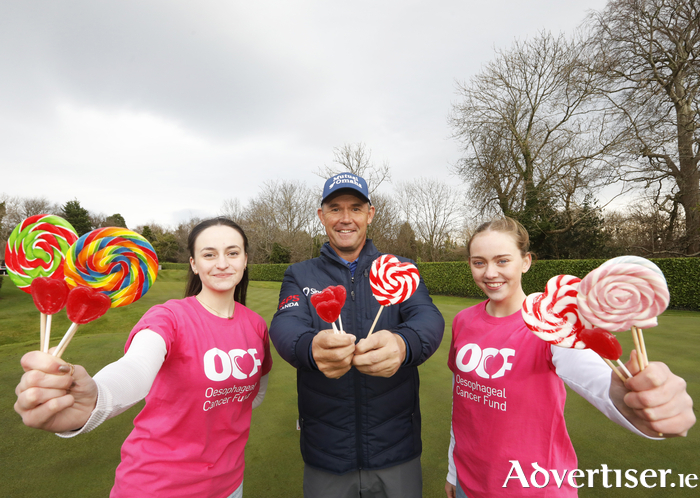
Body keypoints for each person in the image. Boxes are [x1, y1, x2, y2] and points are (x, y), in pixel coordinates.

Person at [14, 218, 272, 498]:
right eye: (209, 254)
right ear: (194, 264)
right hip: (156, 486)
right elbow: (135, 367)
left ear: (245, 260)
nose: (222, 263)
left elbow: (254, 395)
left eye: (232, 253)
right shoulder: (169, 317)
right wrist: (98, 398)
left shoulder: (256, 325)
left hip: (229, 486)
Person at [445, 217, 696, 498]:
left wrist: (632, 403)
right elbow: (463, 404)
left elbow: (599, 384)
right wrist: (453, 472)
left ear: (525, 262)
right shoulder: (463, 321)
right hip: (469, 482)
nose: (490, 272)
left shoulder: (551, 324)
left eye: (502, 261)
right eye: (479, 262)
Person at [269, 173, 445, 498]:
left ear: (370, 214)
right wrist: (310, 348)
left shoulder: (400, 268)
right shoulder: (299, 273)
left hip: (396, 447)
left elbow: (427, 318)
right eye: (335, 209)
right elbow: (286, 324)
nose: (346, 218)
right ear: (322, 216)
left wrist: (403, 344)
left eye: (356, 208)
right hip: (327, 451)